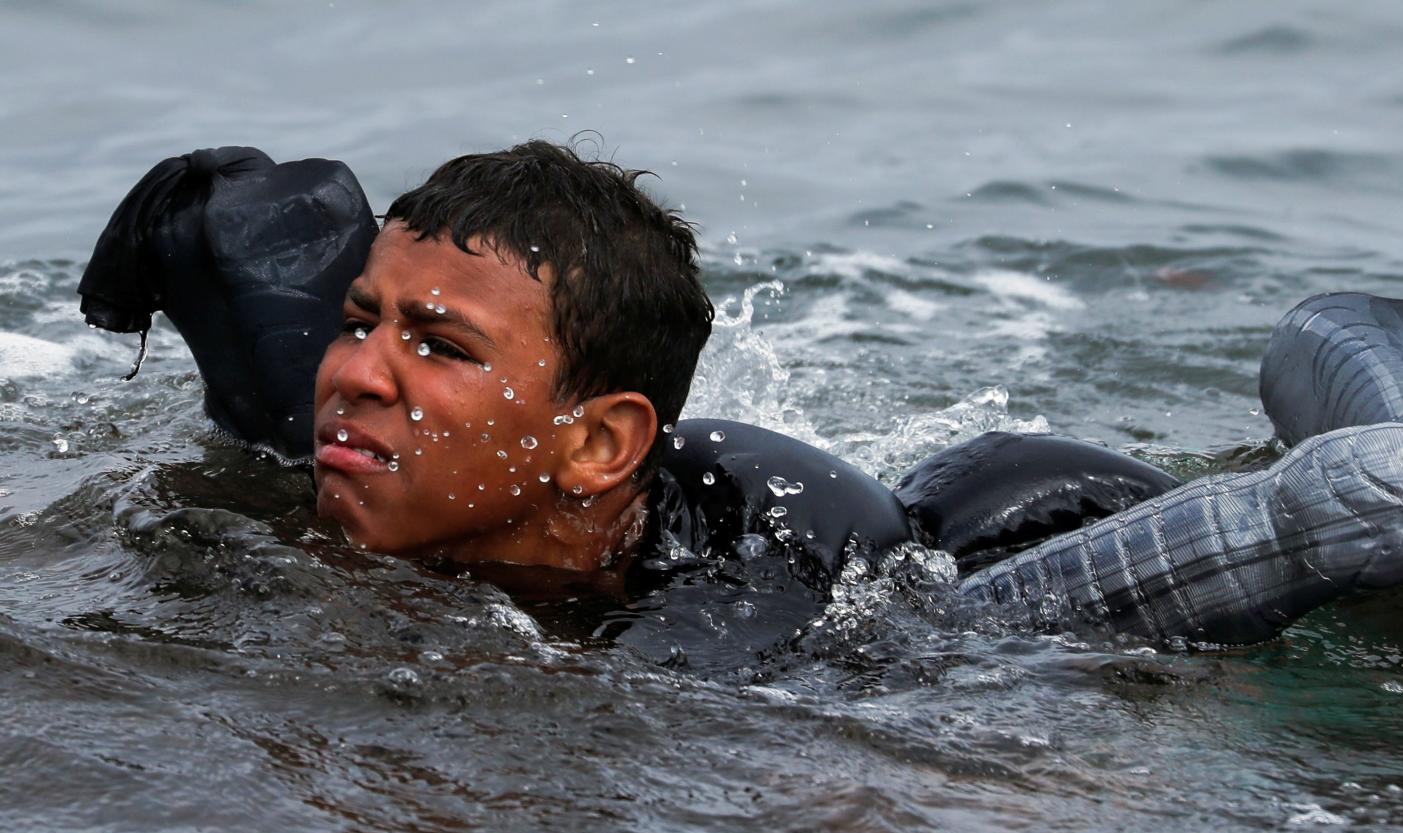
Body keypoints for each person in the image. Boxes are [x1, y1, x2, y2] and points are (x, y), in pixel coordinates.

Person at [77, 142, 1179, 619]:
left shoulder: (745, 597)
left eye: (440, 346)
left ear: (597, 444)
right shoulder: (334, 438)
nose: (358, 372)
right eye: (361, 321)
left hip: (1025, 525)